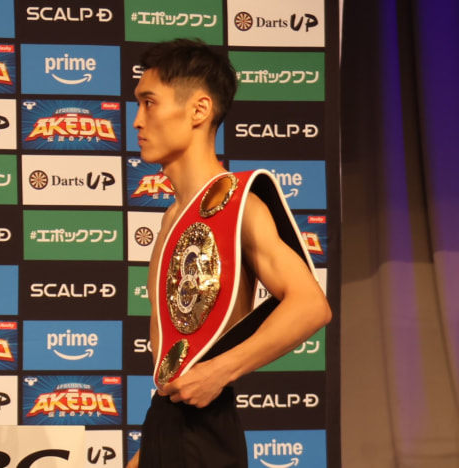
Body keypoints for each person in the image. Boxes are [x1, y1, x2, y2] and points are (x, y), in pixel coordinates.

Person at [126, 39, 332, 468]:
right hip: (166, 421)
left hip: (206, 428)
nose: (137, 121)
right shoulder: (172, 216)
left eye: (149, 103)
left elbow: (311, 305)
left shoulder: (241, 205)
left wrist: (220, 371)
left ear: (199, 110)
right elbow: (175, 360)